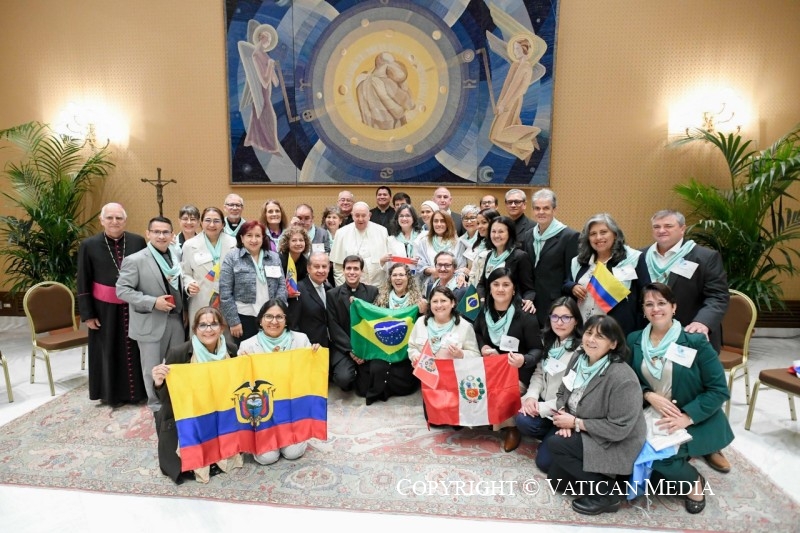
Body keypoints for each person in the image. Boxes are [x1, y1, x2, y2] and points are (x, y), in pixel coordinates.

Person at [628, 283, 733, 514]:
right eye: (649, 304)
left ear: (674, 307)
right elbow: (629, 379)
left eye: (662, 303)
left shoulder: (694, 342)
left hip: (689, 416)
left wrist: (687, 417)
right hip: (650, 410)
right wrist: (648, 394)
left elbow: (718, 390)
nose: (656, 308)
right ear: (643, 310)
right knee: (627, 449)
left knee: (660, 459)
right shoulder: (634, 340)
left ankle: (695, 483)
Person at [546, 315, 646, 516]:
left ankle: (608, 494)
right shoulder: (579, 358)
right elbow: (561, 394)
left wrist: (575, 423)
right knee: (557, 482)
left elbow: (619, 429)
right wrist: (564, 414)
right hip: (583, 427)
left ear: (613, 343)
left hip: (615, 442)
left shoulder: (622, 378)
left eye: (600, 336)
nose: (591, 339)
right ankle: (602, 477)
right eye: (589, 333)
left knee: (556, 445)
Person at [151, 307, 242, 484]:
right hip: (189, 413)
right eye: (203, 325)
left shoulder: (231, 350)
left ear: (221, 328)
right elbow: (165, 398)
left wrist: (245, 363)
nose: (209, 329)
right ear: (195, 329)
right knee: (187, 465)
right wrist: (158, 382)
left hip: (219, 410)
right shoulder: (179, 353)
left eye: (213, 324)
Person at [77, 202, 147, 406]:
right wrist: (88, 314)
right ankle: (111, 394)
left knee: (135, 349)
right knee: (107, 350)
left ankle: (137, 393)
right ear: (102, 220)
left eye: (119, 218)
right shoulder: (89, 245)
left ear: (125, 220)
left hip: (134, 305)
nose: (114, 222)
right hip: (103, 309)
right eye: (110, 218)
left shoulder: (137, 241)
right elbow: (83, 279)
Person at [116, 216, 187, 412]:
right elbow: (122, 290)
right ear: (148, 234)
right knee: (152, 368)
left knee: (178, 364)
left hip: (176, 319)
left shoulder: (176, 256)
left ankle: (176, 401)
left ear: (172, 235)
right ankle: (156, 405)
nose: (161, 236)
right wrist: (153, 302)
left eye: (165, 232)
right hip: (150, 321)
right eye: (156, 232)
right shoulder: (136, 260)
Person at [635, 210, 729, 351]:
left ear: (682, 229)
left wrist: (702, 322)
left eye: (668, 226)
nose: (661, 230)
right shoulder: (639, 256)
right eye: (656, 227)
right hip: (646, 334)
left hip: (689, 333)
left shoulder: (705, 257)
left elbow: (718, 296)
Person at [473, 268, 543, 452]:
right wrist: (483, 347)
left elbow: (538, 349)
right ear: (489, 288)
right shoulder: (484, 311)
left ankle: (512, 428)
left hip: (518, 370)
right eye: (496, 284)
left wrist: (524, 359)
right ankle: (488, 418)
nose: (500, 289)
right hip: (492, 367)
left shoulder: (526, 315)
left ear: (514, 289)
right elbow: (477, 333)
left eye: (506, 285)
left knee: (500, 390)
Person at [516, 297, 583, 471]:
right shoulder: (549, 341)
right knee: (522, 420)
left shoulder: (581, 351)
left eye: (566, 318)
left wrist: (540, 407)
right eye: (555, 317)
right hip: (546, 407)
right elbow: (539, 373)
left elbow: (574, 394)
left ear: (575, 321)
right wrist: (531, 397)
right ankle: (550, 435)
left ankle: (562, 436)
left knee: (544, 464)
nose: (559, 322)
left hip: (564, 410)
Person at [563, 213, 642, 335]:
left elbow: (645, 294)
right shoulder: (579, 261)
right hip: (583, 329)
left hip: (617, 331)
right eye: (593, 234)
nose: (598, 237)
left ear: (615, 235)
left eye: (604, 232)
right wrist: (572, 287)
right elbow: (566, 282)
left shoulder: (633, 259)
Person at [359, 263, 424, 404]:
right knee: (374, 371)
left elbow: (423, 327)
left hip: (404, 350)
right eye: (394, 275)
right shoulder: (381, 298)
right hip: (382, 346)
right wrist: (357, 304)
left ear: (408, 278)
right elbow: (372, 321)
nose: (398, 278)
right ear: (390, 278)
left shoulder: (418, 301)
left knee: (402, 377)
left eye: (401, 275)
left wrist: (423, 312)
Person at [219, 220, 287, 346]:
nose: (254, 240)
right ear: (242, 238)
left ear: (263, 238)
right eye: (249, 235)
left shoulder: (273, 257)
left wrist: (278, 312)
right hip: (244, 317)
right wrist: (233, 321)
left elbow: (282, 286)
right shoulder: (232, 257)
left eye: (257, 236)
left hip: (271, 316)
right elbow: (225, 292)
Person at [520, 189, 579, 328]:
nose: (541, 212)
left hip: (556, 303)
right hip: (531, 302)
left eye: (546, 208)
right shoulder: (529, 235)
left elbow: (571, 274)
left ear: (554, 210)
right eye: (537, 208)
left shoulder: (569, 236)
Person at [489, 34, 545, 165]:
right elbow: (507, 86)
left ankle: (532, 132)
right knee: (493, 137)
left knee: (496, 135)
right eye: (514, 49)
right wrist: (500, 103)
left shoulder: (526, 68)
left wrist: (505, 104)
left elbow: (520, 90)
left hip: (512, 102)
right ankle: (525, 148)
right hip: (505, 101)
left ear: (525, 49)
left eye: (517, 49)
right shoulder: (515, 65)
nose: (515, 51)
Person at [326, 255, 379, 392]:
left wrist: (362, 349)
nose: (352, 272)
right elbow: (333, 327)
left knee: (371, 381)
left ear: (362, 272)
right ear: (343, 271)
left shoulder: (372, 292)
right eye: (348, 268)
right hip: (344, 347)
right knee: (343, 379)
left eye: (356, 268)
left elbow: (374, 323)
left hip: (366, 346)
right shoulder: (332, 294)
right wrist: (352, 351)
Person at [180, 207, 237, 330]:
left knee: (226, 341)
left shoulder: (234, 243)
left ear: (223, 224)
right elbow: (185, 273)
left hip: (227, 301)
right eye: (208, 220)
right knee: (202, 336)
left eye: (216, 221)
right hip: (201, 299)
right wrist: (189, 284)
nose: (212, 224)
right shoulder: (190, 245)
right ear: (201, 223)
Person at [475, 216, 535, 312]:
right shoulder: (490, 255)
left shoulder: (520, 256)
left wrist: (529, 300)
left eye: (501, 232)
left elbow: (529, 288)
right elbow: (482, 284)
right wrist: (482, 300)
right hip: (488, 308)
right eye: (493, 231)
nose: (496, 235)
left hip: (512, 309)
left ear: (509, 234)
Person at [408, 286, 480, 364]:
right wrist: (415, 356)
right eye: (435, 301)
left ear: (452, 303)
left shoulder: (465, 327)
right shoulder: (420, 322)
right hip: (424, 374)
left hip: (451, 374)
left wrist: (461, 354)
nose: (439, 305)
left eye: (443, 301)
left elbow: (476, 356)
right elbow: (412, 347)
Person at [239, 23, 281, 154]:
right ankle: (272, 147)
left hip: (266, 95)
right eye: (267, 38)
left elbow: (275, 83)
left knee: (259, 120)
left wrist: (273, 69)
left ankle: (254, 141)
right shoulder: (256, 55)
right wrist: (269, 66)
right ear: (261, 37)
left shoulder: (265, 55)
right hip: (262, 95)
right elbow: (264, 82)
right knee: (270, 119)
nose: (269, 41)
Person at [329, 201, 388, 286]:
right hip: (350, 287)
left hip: (377, 286)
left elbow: (386, 264)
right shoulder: (341, 233)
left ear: (369, 216)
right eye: (357, 215)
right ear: (352, 215)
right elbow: (338, 268)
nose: (360, 219)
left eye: (363, 215)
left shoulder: (382, 231)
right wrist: (343, 290)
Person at [287, 252, 332, 349]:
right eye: (316, 266)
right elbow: (293, 324)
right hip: (309, 347)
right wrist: (304, 346)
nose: (321, 270)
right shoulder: (298, 290)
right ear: (308, 268)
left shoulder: (330, 289)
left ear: (329, 268)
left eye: (324, 266)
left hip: (329, 346)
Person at [416, 210, 458, 289]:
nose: (439, 224)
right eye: (436, 221)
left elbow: (461, 265)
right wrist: (432, 270)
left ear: (448, 223)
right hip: (430, 284)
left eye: (442, 221)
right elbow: (419, 264)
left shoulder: (456, 242)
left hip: (452, 285)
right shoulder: (424, 241)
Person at [382, 203, 422, 271]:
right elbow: (387, 267)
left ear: (414, 218)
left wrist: (420, 263)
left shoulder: (422, 237)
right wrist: (383, 261)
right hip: (398, 278)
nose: (404, 218)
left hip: (419, 278)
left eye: (408, 215)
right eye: (401, 216)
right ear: (397, 219)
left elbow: (428, 261)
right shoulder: (391, 240)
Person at [468, 208, 500, 287]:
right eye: (478, 223)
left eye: (484, 222)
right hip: (475, 288)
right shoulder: (479, 244)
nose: (479, 226)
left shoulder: (499, 247)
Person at [453, 204, 480, 275]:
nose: (469, 221)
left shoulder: (483, 238)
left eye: (472, 218)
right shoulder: (460, 240)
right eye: (465, 218)